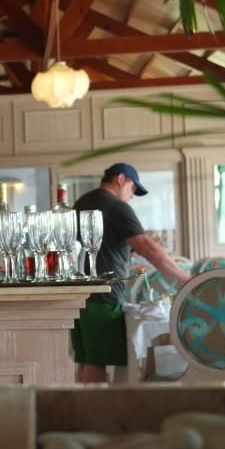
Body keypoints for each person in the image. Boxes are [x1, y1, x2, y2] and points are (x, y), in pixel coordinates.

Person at [71, 163, 192, 384]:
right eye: (132, 188)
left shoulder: (82, 202)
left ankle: (82, 403)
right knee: (97, 361)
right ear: (120, 179)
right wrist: (185, 279)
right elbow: (146, 246)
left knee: (86, 359)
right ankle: (94, 406)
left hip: (77, 292)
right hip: (103, 294)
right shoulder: (116, 207)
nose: (132, 196)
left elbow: (108, 244)